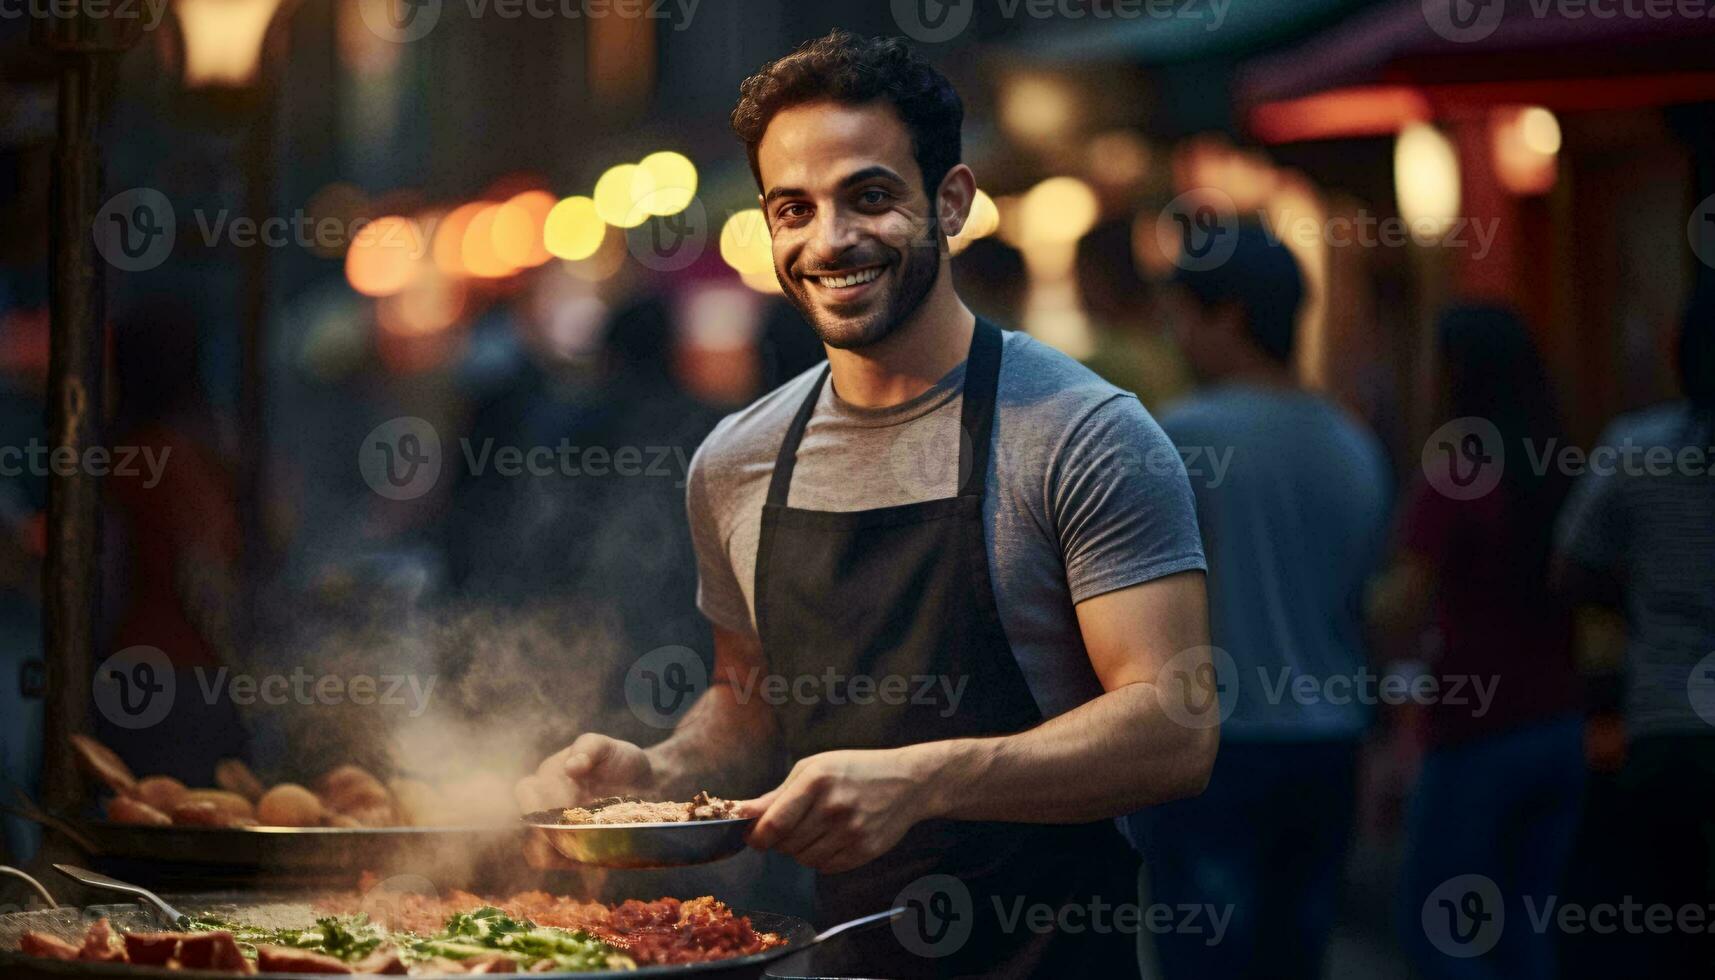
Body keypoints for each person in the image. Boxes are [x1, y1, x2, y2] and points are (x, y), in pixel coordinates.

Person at [518, 31, 1215, 978]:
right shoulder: (737, 460)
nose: (828, 240)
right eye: (792, 209)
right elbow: (748, 701)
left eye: (871, 196)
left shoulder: (1084, 432)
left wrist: (925, 779)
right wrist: (657, 777)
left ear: (952, 201)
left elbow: (1174, 729)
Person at [1123, 222, 1391, 980]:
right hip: (1329, 742)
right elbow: (1366, 599)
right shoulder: (1350, 440)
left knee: (1204, 961)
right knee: (1294, 956)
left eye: (1183, 315)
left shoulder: (1179, 435)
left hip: (1216, 747)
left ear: (1229, 315)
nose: (1175, 335)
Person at [1373, 305, 1584, 980]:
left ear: (1455, 373)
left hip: (1473, 731)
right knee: (1528, 934)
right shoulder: (1559, 464)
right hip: (1558, 725)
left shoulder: (1455, 473)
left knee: (1440, 933)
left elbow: (1401, 607)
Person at [1554, 285, 1715, 978]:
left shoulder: (1636, 448)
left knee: (1665, 935)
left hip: (1665, 727)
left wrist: (1639, 602)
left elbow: (1567, 569)